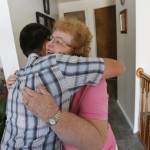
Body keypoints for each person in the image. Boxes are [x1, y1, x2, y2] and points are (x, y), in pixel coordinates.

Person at [3, 18, 125, 150]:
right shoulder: (42, 71)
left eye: (59, 42)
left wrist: (53, 115)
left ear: (76, 54)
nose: (49, 44)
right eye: (51, 38)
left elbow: (97, 142)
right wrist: (16, 85)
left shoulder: (95, 85)